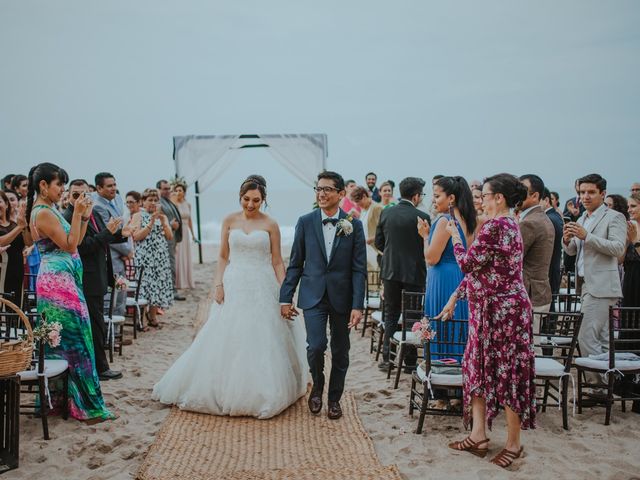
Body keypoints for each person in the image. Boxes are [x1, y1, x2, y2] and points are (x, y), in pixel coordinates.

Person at [154, 176, 307, 418]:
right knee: (228, 333)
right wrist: (218, 284)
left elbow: (277, 261)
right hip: (235, 282)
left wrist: (285, 293)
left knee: (264, 335)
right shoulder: (229, 220)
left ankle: (261, 389)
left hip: (262, 283)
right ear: (240, 197)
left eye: (256, 200)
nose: (250, 204)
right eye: (246, 199)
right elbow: (224, 256)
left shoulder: (270, 224)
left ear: (263, 200)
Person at [440, 173, 534, 468]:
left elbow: (467, 263)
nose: (480, 199)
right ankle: (478, 436)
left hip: (504, 314)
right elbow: (482, 271)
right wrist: (456, 296)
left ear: (499, 198)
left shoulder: (497, 226)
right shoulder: (505, 225)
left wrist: (455, 237)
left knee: (507, 375)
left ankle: (514, 444)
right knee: (477, 368)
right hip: (486, 311)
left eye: (485, 194)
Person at [26, 162, 115, 422]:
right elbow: (70, 244)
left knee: (68, 342)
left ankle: (66, 401)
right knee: (76, 342)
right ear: (44, 185)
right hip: (57, 285)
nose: (62, 190)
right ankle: (84, 405)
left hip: (65, 280)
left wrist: (84, 215)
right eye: (59, 185)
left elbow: (76, 237)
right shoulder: (42, 212)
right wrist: (76, 213)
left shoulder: (50, 210)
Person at [280, 171, 366, 420]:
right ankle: (317, 387)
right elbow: (296, 263)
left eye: (327, 189)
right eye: (318, 189)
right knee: (316, 346)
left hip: (343, 297)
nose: (321, 193)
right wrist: (286, 297)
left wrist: (358, 305)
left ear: (341, 194)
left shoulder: (354, 225)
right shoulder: (305, 222)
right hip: (313, 295)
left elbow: (358, 269)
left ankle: (334, 399)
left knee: (341, 351)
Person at [64, 179, 125, 381]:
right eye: (76, 195)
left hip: (99, 273)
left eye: (85, 195)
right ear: (68, 195)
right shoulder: (69, 217)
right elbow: (83, 247)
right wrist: (108, 233)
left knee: (97, 322)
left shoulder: (95, 212)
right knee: (94, 324)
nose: (82, 199)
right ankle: (100, 368)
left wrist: (121, 232)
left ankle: (100, 366)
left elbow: (104, 237)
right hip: (86, 277)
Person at [563, 174, 626, 363]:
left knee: (585, 336)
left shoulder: (614, 217)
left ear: (603, 193)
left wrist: (586, 236)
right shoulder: (582, 218)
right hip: (584, 284)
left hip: (602, 285)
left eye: (591, 192)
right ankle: (608, 385)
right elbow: (575, 251)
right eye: (582, 192)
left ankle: (597, 384)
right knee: (604, 339)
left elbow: (618, 248)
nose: (585, 197)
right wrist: (566, 240)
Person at [375, 177, 430, 371]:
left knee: (390, 315)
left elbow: (379, 243)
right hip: (414, 273)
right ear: (416, 196)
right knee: (412, 317)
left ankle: (387, 360)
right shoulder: (422, 216)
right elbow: (427, 247)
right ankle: (410, 363)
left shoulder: (386, 213)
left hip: (390, 271)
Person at [418, 176, 475, 359]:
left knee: (441, 327)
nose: (433, 201)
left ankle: (440, 368)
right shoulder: (468, 221)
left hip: (442, 279)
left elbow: (432, 258)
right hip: (460, 278)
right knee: (457, 329)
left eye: (437, 196)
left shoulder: (445, 221)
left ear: (451, 198)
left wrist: (425, 236)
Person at [129, 189, 174, 327]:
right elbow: (136, 236)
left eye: (156, 200)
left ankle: (153, 316)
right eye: (150, 200)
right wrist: (151, 222)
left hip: (160, 256)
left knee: (157, 286)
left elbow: (169, 236)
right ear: (143, 201)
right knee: (144, 286)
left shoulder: (163, 217)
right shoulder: (138, 216)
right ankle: (141, 319)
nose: (153, 203)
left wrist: (164, 223)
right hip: (145, 257)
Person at [92, 172, 133, 316]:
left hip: (121, 255)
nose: (113, 188)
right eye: (109, 186)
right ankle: (111, 335)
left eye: (114, 184)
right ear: (99, 188)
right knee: (111, 299)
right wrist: (127, 251)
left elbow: (124, 228)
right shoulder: (98, 207)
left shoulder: (116, 200)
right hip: (112, 256)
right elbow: (108, 234)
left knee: (121, 295)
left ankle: (115, 333)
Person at [519, 174, 554, 327]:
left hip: (530, 293)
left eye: (521, 191)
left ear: (535, 195)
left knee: (530, 346)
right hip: (540, 291)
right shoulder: (542, 218)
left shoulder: (529, 222)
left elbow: (513, 258)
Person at [0, 191, 32, 305]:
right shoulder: (17, 226)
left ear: (6, 204)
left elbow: (28, 242)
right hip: (2, 270)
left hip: (17, 269)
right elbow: (1, 242)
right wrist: (19, 227)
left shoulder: (15, 224)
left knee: (18, 302)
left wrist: (25, 227)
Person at [157, 179, 184, 301]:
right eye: (165, 189)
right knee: (170, 265)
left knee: (171, 264)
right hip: (165, 239)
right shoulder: (158, 202)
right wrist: (170, 225)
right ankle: (172, 291)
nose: (168, 191)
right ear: (159, 189)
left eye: (169, 188)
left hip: (172, 239)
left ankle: (172, 290)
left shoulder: (168, 201)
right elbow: (157, 219)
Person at [171, 182, 196, 289]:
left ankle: (186, 281)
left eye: (180, 190)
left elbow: (190, 220)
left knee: (186, 255)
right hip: (178, 231)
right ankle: (178, 282)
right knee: (178, 255)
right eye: (176, 190)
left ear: (184, 192)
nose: (178, 192)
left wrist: (193, 235)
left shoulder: (188, 204)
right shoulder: (174, 204)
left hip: (186, 231)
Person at [351, 186, 383, 270]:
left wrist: (371, 239)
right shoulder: (364, 209)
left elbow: (385, 229)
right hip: (366, 249)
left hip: (375, 250)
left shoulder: (376, 208)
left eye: (358, 201)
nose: (357, 204)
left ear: (364, 196)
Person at [541, 188, 564, 295]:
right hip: (554, 266)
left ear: (546, 200)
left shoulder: (549, 218)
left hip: (549, 270)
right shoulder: (555, 216)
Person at [622, 192, 640, 307]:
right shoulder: (630, 227)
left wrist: (634, 241)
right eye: (628, 207)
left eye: (633, 206)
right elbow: (619, 260)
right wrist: (626, 242)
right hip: (629, 277)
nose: (629, 210)